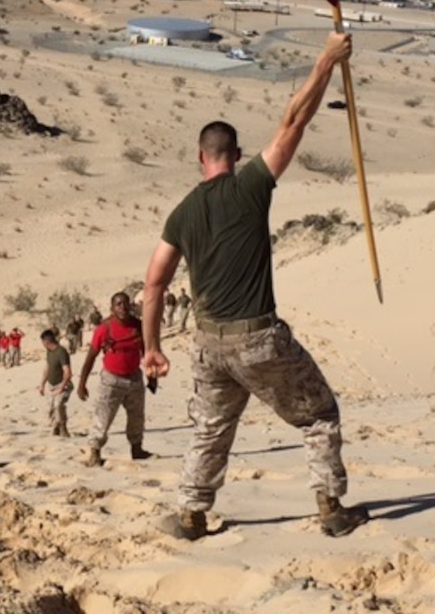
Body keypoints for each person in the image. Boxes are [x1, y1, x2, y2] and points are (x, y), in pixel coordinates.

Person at [141, 32, 368, 542]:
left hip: (208, 345)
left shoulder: (181, 213)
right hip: (259, 339)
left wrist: (152, 348)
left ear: (200, 157)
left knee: (211, 429)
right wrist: (326, 59)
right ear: (235, 154)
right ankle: (330, 507)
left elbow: (153, 285)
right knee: (319, 415)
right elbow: (294, 120)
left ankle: (190, 516)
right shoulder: (251, 186)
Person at [76, 291, 152, 467]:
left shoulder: (138, 326)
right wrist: (82, 383)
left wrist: (152, 376)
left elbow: (148, 352)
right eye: (118, 304)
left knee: (137, 417)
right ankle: (94, 452)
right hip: (111, 380)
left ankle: (137, 449)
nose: (122, 307)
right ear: (112, 308)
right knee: (103, 416)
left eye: (125, 303)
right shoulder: (104, 329)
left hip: (134, 378)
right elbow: (91, 357)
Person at [39, 329, 73, 437]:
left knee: (59, 405)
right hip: (51, 384)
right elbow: (47, 367)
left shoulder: (61, 352)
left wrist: (62, 387)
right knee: (51, 409)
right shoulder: (49, 352)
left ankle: (63, 428)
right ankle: (56, 428)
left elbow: (67, 372)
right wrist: (42, 384)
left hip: (62, 383)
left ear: (46, 342)